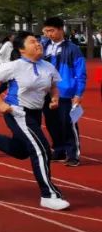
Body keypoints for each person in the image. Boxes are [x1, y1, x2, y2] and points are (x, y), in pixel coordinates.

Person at [0, 32, 70, 210]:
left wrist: (54, 99)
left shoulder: (47, 66)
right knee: (41, 149)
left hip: (35, 113)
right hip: (17, 112)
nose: (38, 44)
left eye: (38, 41)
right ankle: (48, 194)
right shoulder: (14, 66)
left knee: (22, 150)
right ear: (22, 49)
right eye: (32, 42)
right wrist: (0, 103)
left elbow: (53, 87)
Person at [40, 16, 86, 166]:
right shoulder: (43, 46)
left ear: (61, 30)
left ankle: (73, 154)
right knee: (51, 123)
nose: (48, 34)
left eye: (51, 30)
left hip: (65, 92)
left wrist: (78, 93)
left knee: (68, 123)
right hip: (46, 91)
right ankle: (59, 149)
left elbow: (81, 72)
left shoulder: (73, 49)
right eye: (46, 31)